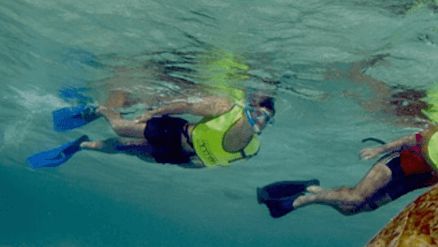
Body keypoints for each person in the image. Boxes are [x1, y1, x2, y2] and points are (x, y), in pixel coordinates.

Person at [257, 78, 438, 218]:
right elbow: (412, 139)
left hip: (409, 184)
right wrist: (380, 150)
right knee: (354, 197)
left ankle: (310, 188)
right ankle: (301, 201)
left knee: (350, 210)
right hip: (396, 165)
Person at [27, 89, 275, 169]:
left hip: (180, 156)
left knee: (125, 148)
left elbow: (217, 161)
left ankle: (79, 145)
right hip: (173, 131)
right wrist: (155, 112)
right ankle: (98, 110)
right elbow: (188, 105)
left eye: (267, 119)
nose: (261, 121)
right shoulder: (226, 107)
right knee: (118, 128)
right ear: (250, 107)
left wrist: (190, 165)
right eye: (259, 113)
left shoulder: (252, 149)